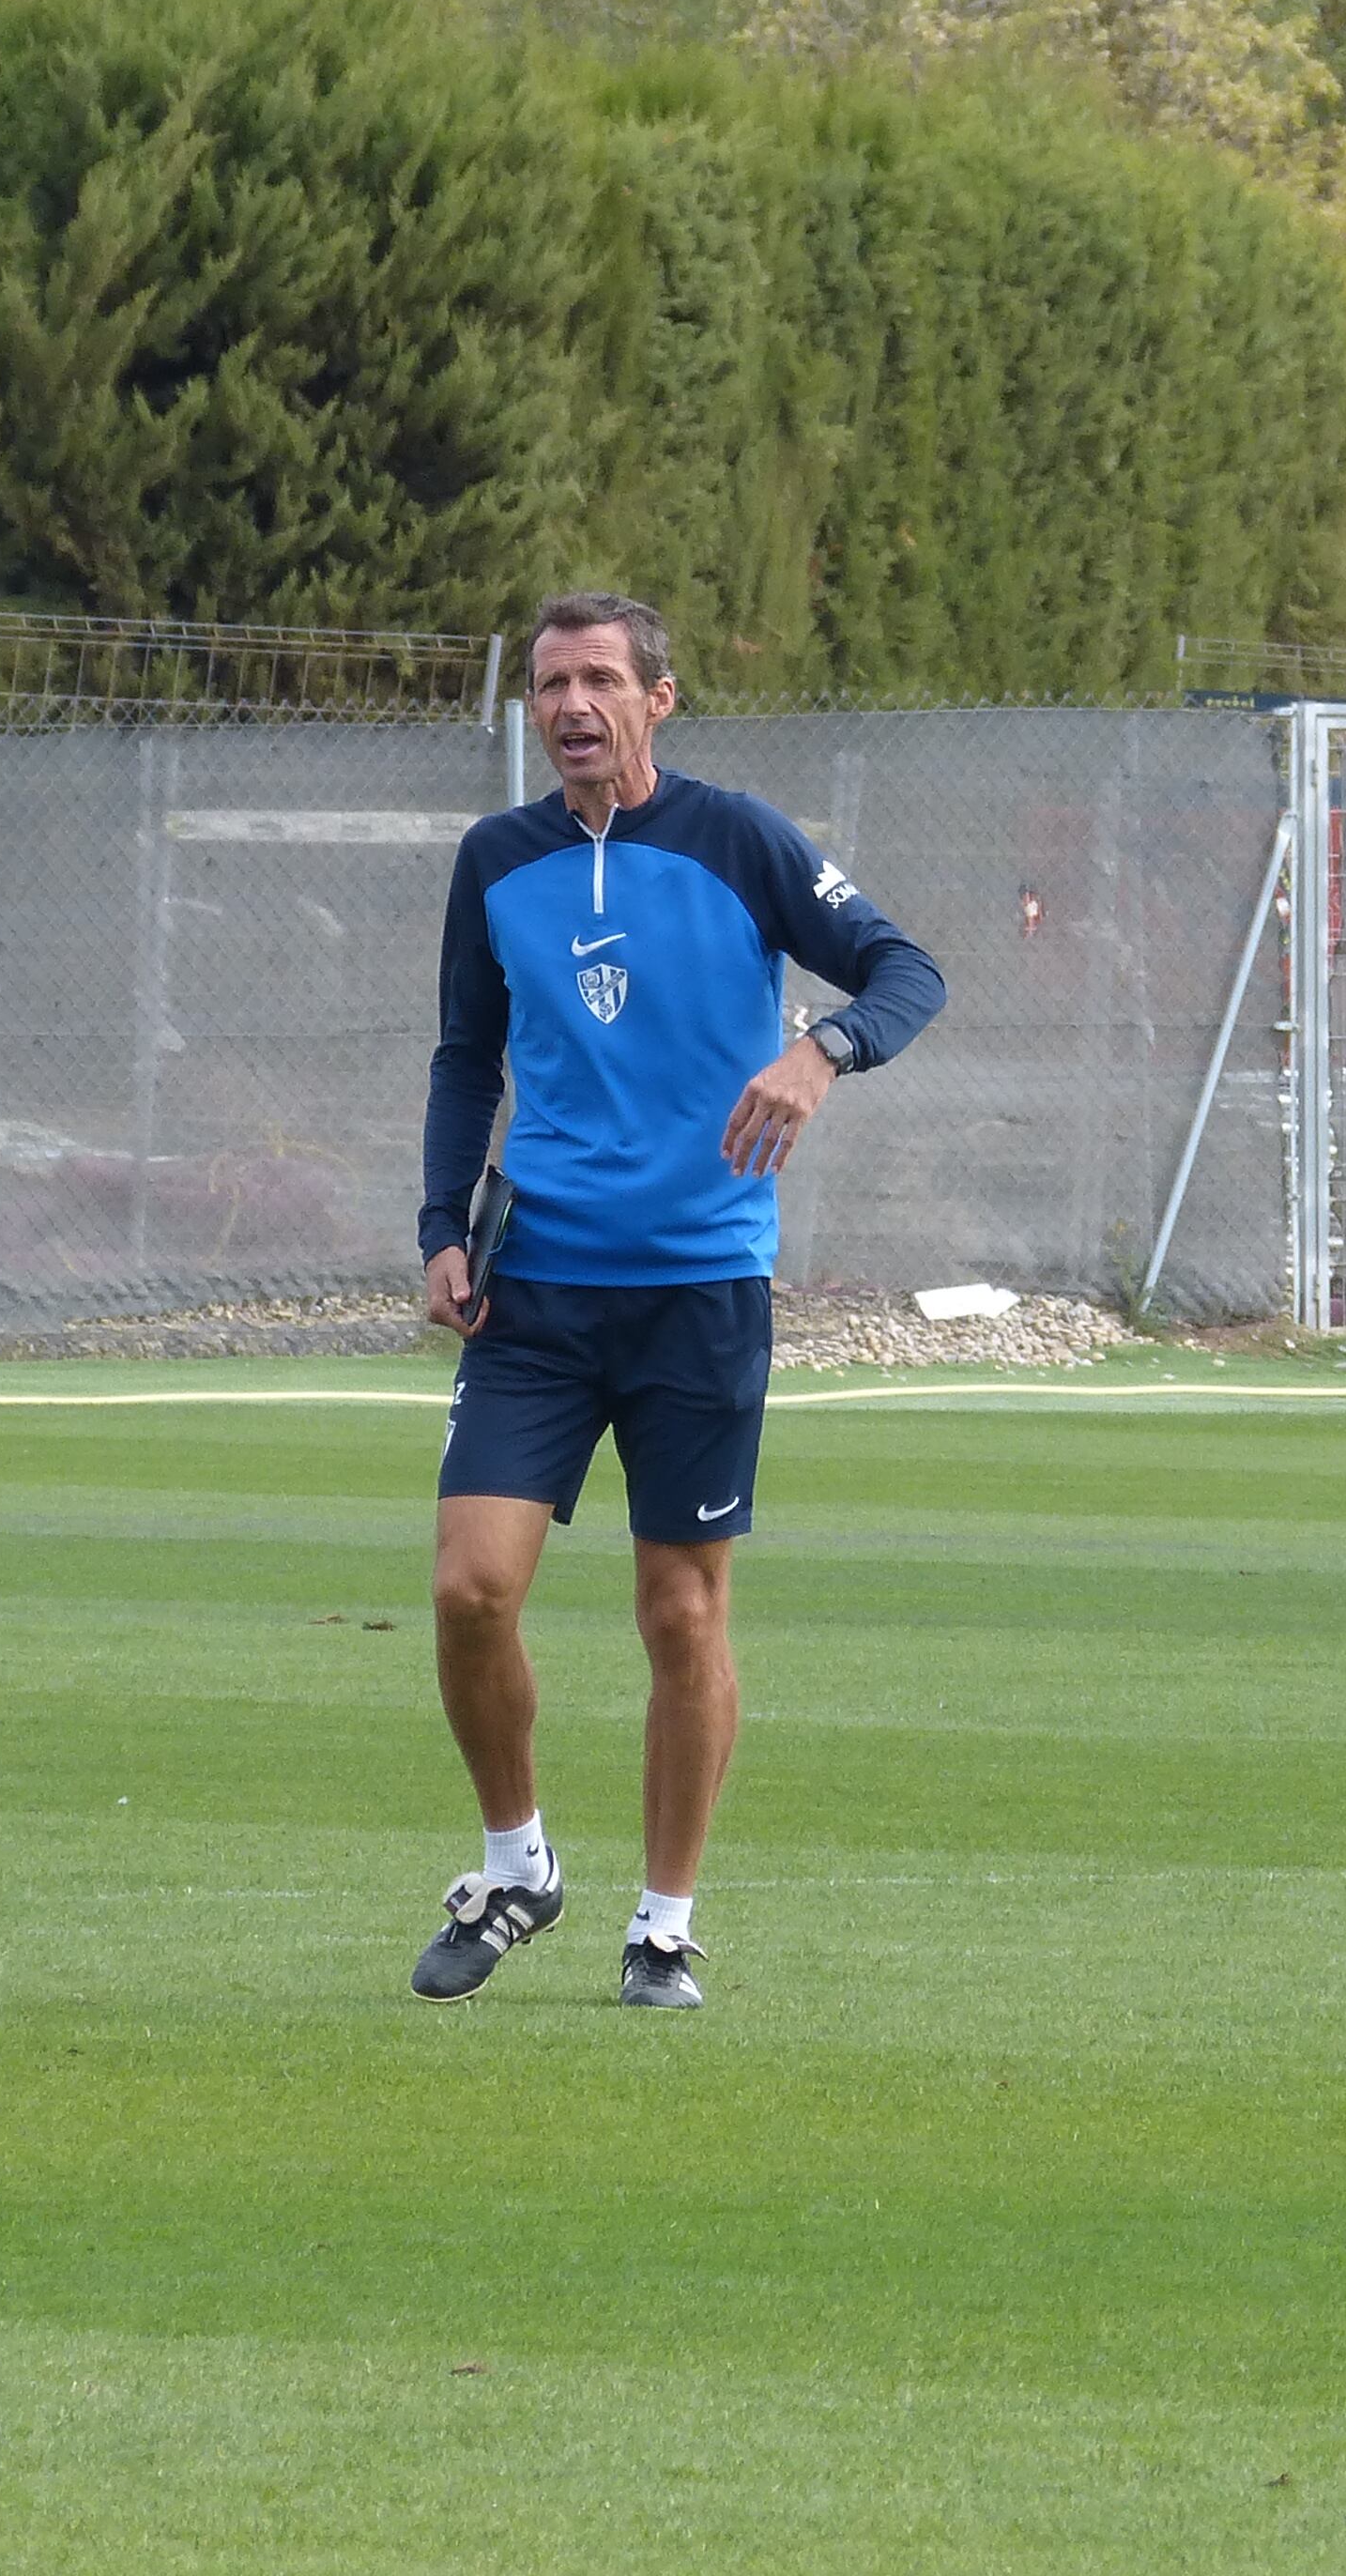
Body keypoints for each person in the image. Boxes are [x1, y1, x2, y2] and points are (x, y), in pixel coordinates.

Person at [409, 592, 946, 2007]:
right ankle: (518, 1866)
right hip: (535, 1291)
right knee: (469, 1590)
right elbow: (466, 1056)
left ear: (659, 699)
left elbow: (907, 971)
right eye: (550, 684)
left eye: (600, 679)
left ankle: (663, 1924)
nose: (572, 706)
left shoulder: (741, 840)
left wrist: (821, 1053)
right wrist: (442, 1225)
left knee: (681, 1615)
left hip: (699, 1288)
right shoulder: (497, 859)